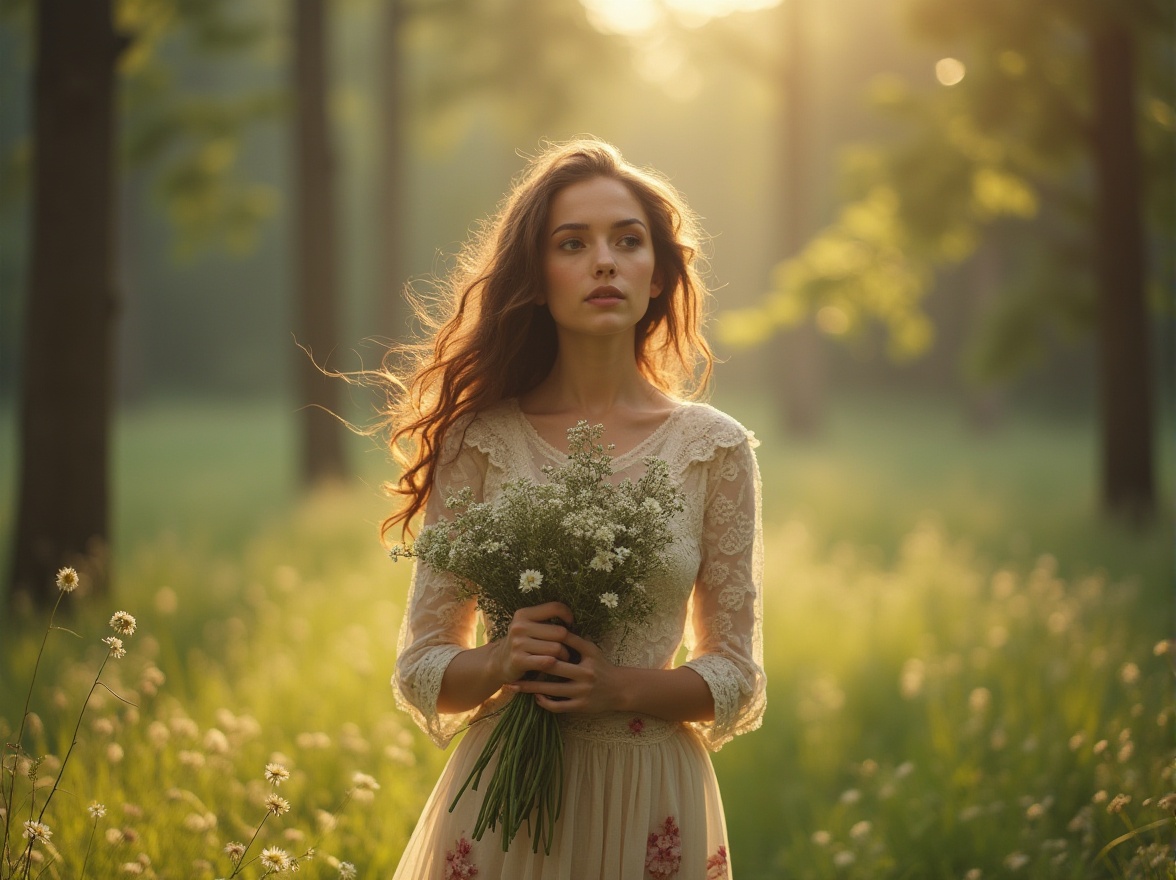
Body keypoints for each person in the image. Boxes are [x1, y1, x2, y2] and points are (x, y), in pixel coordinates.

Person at [382, 137, 764, 879]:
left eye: (628, 241)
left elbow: (737, 676)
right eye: (573, 243)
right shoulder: (480, 440)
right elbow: (421, 666)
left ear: (657, 277)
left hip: (652, 797)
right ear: (537, 276)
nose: (605, 262)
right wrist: (500, 660)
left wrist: (621, 687)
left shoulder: (712, 449)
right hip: (506, 808)